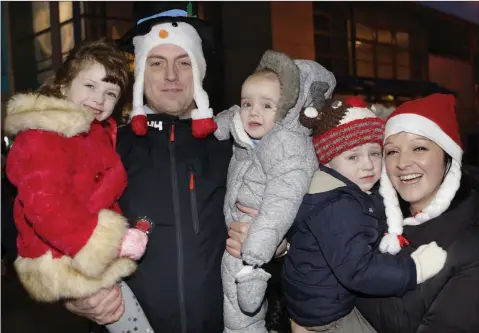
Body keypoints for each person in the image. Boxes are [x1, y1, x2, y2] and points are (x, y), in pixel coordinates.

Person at [65, 11, 234, 333]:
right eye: (156, 63)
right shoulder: (105, 147)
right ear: (141, 73)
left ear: (199, 71)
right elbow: (49, 224)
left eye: (184, 62)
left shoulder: (231, 146)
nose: (171, 75)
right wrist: (73, 293)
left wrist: (281, 247)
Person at [4, 38, 153, 333]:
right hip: (68, 257)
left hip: (81, 254)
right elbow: (47, 208)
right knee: (126, 319)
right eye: (90, 86)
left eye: (110, 93)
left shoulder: (93, 134)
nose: (99, 99)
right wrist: (99, 243)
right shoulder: (43, 135)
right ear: (63, 84)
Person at [282, 97, 447, 333]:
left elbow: (374, 229)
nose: (368, 165)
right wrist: (414, 268)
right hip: (327, 318)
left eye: (375, 153)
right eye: (353, 157)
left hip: (326, 302)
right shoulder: (338, 205)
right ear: (328, 161)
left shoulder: (354, 190)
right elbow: (358, 270)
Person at [210, 51, 334, 332]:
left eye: (267, 106)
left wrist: (258, 251)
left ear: (285, 110)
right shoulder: (245, 131)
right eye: (247, 103)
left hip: (259, 247)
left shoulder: (286, 146)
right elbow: (228, 118)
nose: (254, 112)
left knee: (247, 306)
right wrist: (209, 125)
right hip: (235, 242)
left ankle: (252, 275)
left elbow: (282, 202)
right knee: (237, 319)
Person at [356, 93, 479, 332]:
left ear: (447, 158)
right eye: (392, 151)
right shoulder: (370, 219)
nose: (403, 163)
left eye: (419, 148)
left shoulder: (470, 244)